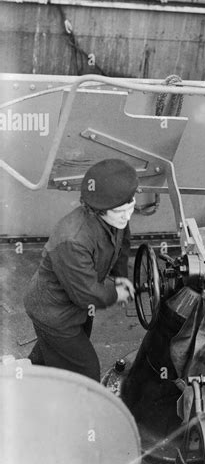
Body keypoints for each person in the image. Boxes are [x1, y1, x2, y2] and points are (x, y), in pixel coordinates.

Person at [24, 158, 138, 382]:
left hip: (74, 307)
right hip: (53, 313)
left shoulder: (116, 217)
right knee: (85, 370)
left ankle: (29, 377)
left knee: (56, 351)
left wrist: (119, 278)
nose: (127, 216)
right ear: (98, 210)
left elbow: (122, 247)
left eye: (130, 207)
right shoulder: (73, 240)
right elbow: (85, 294)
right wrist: (116, 293)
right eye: (120, 212)